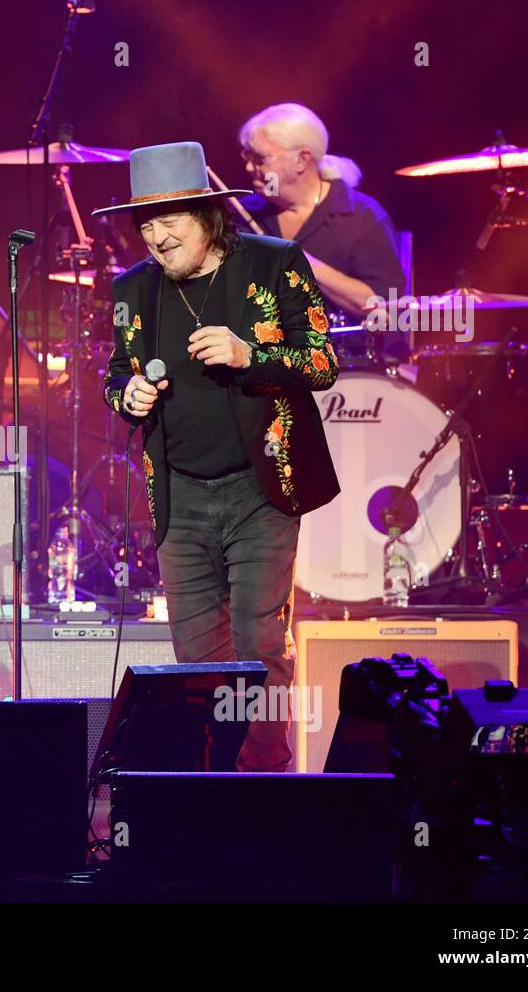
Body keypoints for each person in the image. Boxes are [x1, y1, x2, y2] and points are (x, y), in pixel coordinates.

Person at [96, 141, 340, 771]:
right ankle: (206, 795)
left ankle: (264, 781)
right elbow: (114, 373)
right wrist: (130, 393)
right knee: (197, 662)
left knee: (259, 648)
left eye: (168, 219)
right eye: (145, 223)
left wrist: (247, 354)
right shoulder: (132, 289)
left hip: (260, 491)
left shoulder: (274, 263)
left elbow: (322, 361)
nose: (156, 235)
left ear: (207, 215)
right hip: (180, 499)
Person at [239, 102, 405, 358]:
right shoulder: (244, 215)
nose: (250, 167)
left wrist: (306, 265)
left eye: (260, 159)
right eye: (247, 157)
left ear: (301, 160)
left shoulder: (361, 216)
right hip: (260, 365)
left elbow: (384, 305)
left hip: (344, 366)